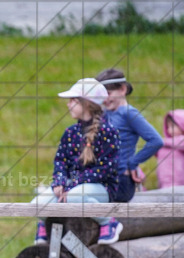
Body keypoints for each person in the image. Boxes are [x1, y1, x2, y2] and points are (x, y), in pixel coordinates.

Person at [31, 78, 121, 245]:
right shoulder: (70, 132)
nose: (68, 104)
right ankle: (46, 225)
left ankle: (108, 221)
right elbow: (60, 161)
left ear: (86, 103)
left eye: (72, 100)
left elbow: (104, 170)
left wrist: (71, 185)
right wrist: (59, 183)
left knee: (74, 197)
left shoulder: (108, 132)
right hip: (71, 187)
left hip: (100, 189)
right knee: (36, 204)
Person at [95, 68, 163, 205]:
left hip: (121, 180)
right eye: (101, 96)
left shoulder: (128, 113)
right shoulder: (104, 113)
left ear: (123, 90)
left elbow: (156, 140)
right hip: (103, 175)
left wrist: (132, 163)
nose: (105, 99)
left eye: (108, 93)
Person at [156, 110, 184, 188]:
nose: (169, 130)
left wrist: (160, 141)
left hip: (180, 184)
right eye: (167, 127)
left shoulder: (168, 142)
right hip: (164, 183)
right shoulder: (166, 145)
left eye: (172, 126)